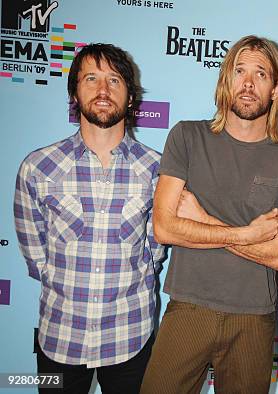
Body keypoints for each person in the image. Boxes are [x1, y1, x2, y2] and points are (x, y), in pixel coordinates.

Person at [139, 35, 278, 394]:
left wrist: (202, 220)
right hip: (188, 308)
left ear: (277, 90)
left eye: (260, 74)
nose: (247, 84)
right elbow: (165, 228)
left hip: (253, 318)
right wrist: (246, 234)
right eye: (239, 71)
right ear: (225, 81)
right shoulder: (186, 137)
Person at [14, 43, 165, 393]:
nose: (102, 90)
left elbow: (156, 250)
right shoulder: (38, 167)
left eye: (114, 80)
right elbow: (36, 256)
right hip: (59, 336)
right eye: (91, 79)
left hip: (130, 335)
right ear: (74, 92)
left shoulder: (157, 170)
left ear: (130, 98)